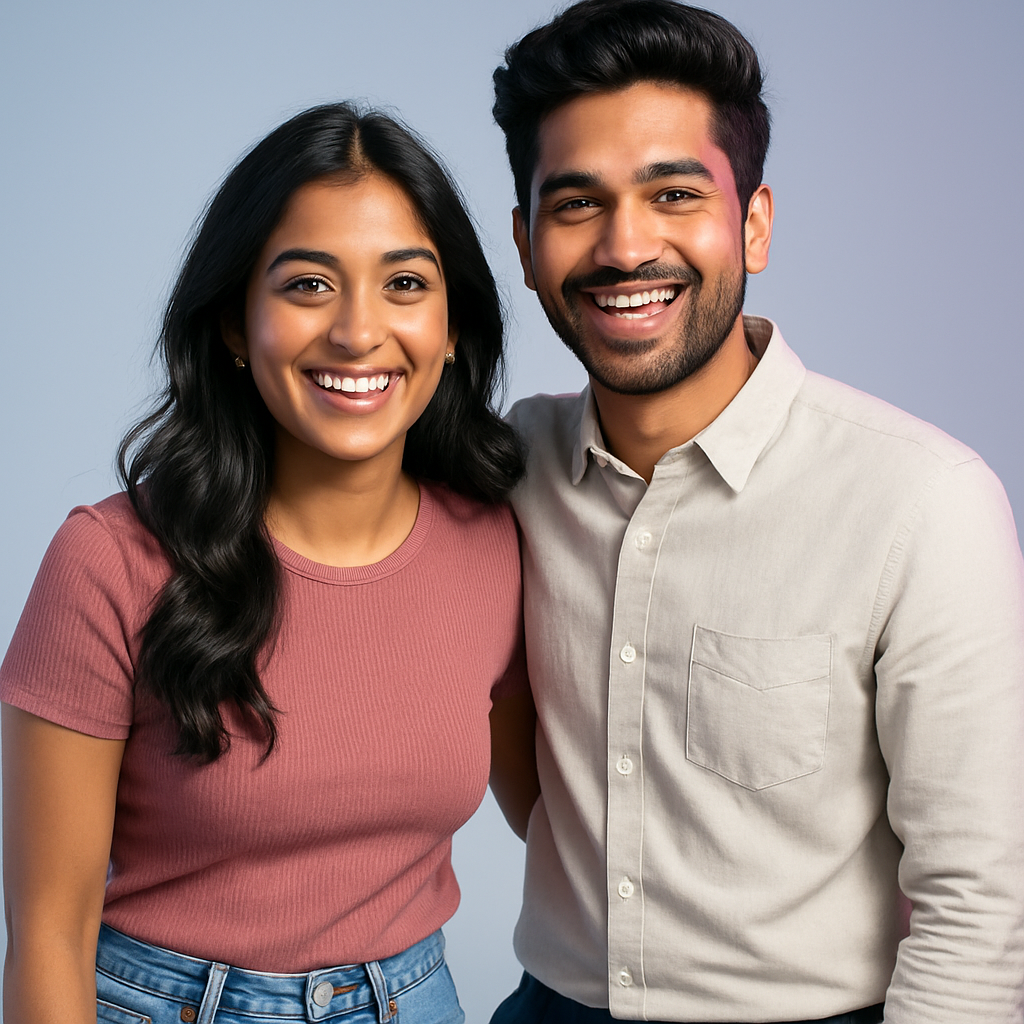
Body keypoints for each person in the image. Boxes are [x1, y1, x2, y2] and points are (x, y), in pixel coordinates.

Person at [486, 1, 1024, 1022]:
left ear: (755, 223)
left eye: (674, 193)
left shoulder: (922, 499)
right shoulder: (506, 468)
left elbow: (979, 909)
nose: (625, 246)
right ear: (525, 243)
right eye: (577, 203)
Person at [1, 101, 538, 1024]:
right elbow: (47, 935)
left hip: (416, 1000)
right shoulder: (110, 562)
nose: (358, 331)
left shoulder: (499, 544)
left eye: (405, 284)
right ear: (233, 324)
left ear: (453, 327)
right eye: (308, 285)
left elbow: (564, 825)